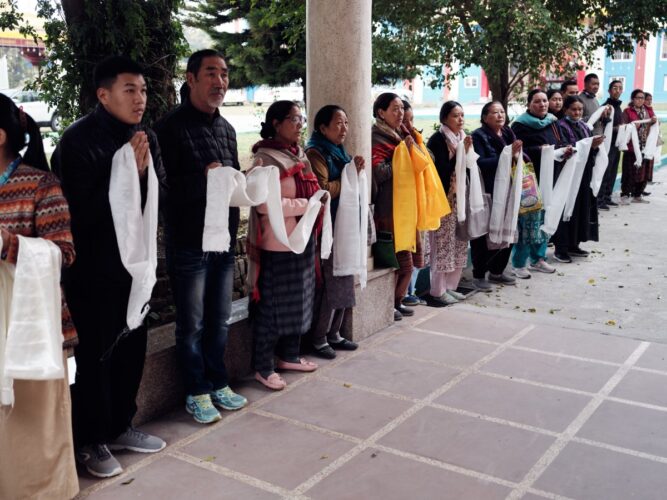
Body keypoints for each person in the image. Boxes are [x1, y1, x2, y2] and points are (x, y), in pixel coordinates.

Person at [53, 56, 167, 478]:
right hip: (92, 271)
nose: (139, 99)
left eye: (142, 90)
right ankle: (90, 440)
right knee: (96, 357)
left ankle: (121, 425)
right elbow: (77, 213)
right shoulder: (77, 141)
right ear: (104, 95)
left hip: (134, 269)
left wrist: (141, 177)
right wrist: (127, 175)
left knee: (131, 351)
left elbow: (160, 197)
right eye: (129, 90)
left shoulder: (146, 137)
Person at [155, 49, 248, 424]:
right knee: (191, 323)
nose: (220, 82)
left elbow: (233, 178)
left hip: (223, 241)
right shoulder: (168, 128)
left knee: (219, 318)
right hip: (189, 242)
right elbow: (162, 191)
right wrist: (203, 179)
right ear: (190, 78)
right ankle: (196, 390)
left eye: (224, 74)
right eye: (211, 73)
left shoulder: (225, 128)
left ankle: (218, 381)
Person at [0, 95, 79, 499]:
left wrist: (6, 244)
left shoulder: (40, 185)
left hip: (30, 326)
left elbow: (63, 253)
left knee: (33, 423)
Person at [249, 100, 321, 390]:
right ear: (276, 123)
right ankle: (263, 367)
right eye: (293, 119)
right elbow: (266, 205)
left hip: (302, 239)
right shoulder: (264, 160)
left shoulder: (297, 154)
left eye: (301, 118)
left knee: (300, 301)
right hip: (278, 244)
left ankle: (289, 354)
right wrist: (307, 205)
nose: (299, 124)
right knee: (273, 308)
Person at [305, 104, 362, 359]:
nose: (344, 128)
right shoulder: (316, 152)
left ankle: (335, 333)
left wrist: (354, 171)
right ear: (322, 127)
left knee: (345, 277)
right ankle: (318, 338)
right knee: (330, 283)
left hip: (345, 224)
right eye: (338, 123)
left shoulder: (339, 152)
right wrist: (351, 174)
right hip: (327, 227)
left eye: (346, 123)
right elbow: (323, 189)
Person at [510, 89, 568, 278]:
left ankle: (538, 258)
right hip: (529, 178)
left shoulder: (553, 122)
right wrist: (539, 150)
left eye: (544, 101)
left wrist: (564, 151)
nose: (542, 104)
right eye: (537, 101)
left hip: (549, 175)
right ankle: (519, 263)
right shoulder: (520, 125)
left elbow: (558, 143)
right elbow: (517, 150)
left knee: (545, 218)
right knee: (528, 220)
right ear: (528, 104)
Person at [371, 93, 416, 319]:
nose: (400, 114)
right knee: (398, 261)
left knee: (407, 262)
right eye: (395, 109)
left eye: (402, 109)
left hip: (406, 206)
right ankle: (389, 304)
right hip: (389, 209)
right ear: (381, 113)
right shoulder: (377, 137)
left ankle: (397, 302)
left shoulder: (403, 134)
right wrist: (404, 155)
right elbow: (379, 173)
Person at [470, 101, 520, 290]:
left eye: (502, 112)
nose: (500, 115)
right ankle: (479, 274)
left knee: (508, 229)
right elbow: (480, 163)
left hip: (507, 189)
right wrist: (506, 155)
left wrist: (515, 155)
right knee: (483, 235)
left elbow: (517, 155)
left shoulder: (507, 132)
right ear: (484, 117)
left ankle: (497, 272)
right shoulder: (478, 136)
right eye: (494, 112)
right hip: (487, 192)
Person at [424, 101, 470, 306]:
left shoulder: (462, 138)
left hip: (459, 199)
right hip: (443, 200)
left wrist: (465, 151)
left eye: (462, 115)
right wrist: (461, 152)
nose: (460, 120)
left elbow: (469, 167)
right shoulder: (437, 140)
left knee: (458, 243)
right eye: (455, 116)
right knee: (442, 245)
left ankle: (451, 287)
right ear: (444, 119)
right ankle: (437, 290)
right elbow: (440, 170)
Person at [552, 96, 604, 263]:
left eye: (580, 110)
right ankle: (561, 247)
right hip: (568, 173)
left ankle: (574, 243)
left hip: (583, 173)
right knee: (565, 209)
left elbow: (588, 146)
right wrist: (587, 145)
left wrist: (593, 146)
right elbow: (565, 148)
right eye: (573, 109)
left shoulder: (583, 125)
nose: (577, 112)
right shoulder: (561, 126)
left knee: (580, 208)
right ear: (566, 110)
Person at [400, 100, 427, 307]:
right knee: (406, 255)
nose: (408, 123)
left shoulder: (413, 137)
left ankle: (413, 290)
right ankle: (404, 295)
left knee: (417, 251)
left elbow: (428, 161)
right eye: (404, 118)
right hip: (401, 205)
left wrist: (416, 144)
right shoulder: (391, 138)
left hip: (417, 202)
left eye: (410, 119)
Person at [620, 89, 657, 204]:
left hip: (645, 147)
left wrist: (654, 122)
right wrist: (632, 127)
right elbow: (623, 126)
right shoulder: (628, 111)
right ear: (633, 99)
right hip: (632, 147)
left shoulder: (647, 110)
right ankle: (625, 194)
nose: (640, 100)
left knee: (643, 173)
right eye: (638, 97)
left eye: (642, 98)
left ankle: (638, 194)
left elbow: (653, 123)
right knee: (629, 172)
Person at [599, 80, 624, 209]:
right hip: (607, 144)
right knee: (605, 171)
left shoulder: (618, 107)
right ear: (609, 91)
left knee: (613, 171)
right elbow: (603, 125)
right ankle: (600, 199)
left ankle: (607, 197)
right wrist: (617, 129)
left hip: (616, 144)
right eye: (615, 88)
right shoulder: (606, 107)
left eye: (620, 88)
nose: (617, 91)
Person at [644, 92, 655, 188]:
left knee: (649, 163)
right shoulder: (643, 110)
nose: (649, 101)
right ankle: (635, 191)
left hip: (650, 140)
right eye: (647, 99)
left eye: (650, 99)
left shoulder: (650, 109)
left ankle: (642, 187)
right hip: (644, 140)